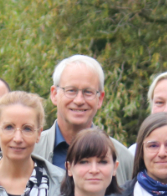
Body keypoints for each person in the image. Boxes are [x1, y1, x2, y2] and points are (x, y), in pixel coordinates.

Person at [33, 55, 134, 184]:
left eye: (88, 92)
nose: (79, 100)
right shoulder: (32, 151)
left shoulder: (123, 158)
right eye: (71, 91)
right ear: (54, 95)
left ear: (100, 99)